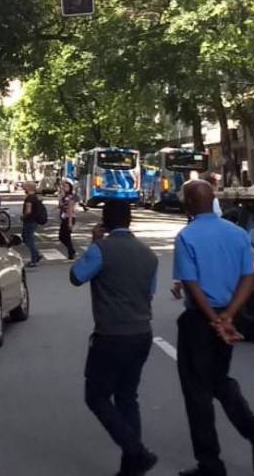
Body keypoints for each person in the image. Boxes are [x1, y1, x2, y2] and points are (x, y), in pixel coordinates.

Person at [173, 180, 254, 476]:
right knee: (219, 380)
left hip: (199, 321)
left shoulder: (186, 236)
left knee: (197, 392)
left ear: (188, 205)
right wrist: (229, 315)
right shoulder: (238, 234)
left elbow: (191, 283)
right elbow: (248, 277)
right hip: (228, 315)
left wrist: (213, 318)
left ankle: (210, 463)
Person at [70, 201, 160, 476]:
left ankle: (136, 451)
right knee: (127, 397)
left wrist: (93, 243)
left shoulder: (101, 250)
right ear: (130, 221)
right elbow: (150, 292)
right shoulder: (149, 255)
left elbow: (76, 276)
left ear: (105, 223)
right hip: (142, 333)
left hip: (111, 334)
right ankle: (131, 466)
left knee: (95, 396)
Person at [21, 182, 44, 268]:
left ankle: (35, 257)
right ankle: (36, 254)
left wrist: (23, 216)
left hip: (29, 221)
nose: (23, 188)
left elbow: (28, 210)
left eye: (24, 186)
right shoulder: (35, 197)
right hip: (34, 221)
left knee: (29, 239)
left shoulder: (30, 198)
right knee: (26, 238)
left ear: (28, 188)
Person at [59, 180, 79, 260]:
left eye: (66, 186)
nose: (64, 188)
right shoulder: (64, 197)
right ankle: (71, 251)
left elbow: (70, 209)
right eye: (63, 186)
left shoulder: (70, 197)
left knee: (65, 236)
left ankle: (71, 252)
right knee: (63, 236)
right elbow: (61, 206)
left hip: (69, 218)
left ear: (70, 188)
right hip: (64, 218)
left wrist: (70, 222)